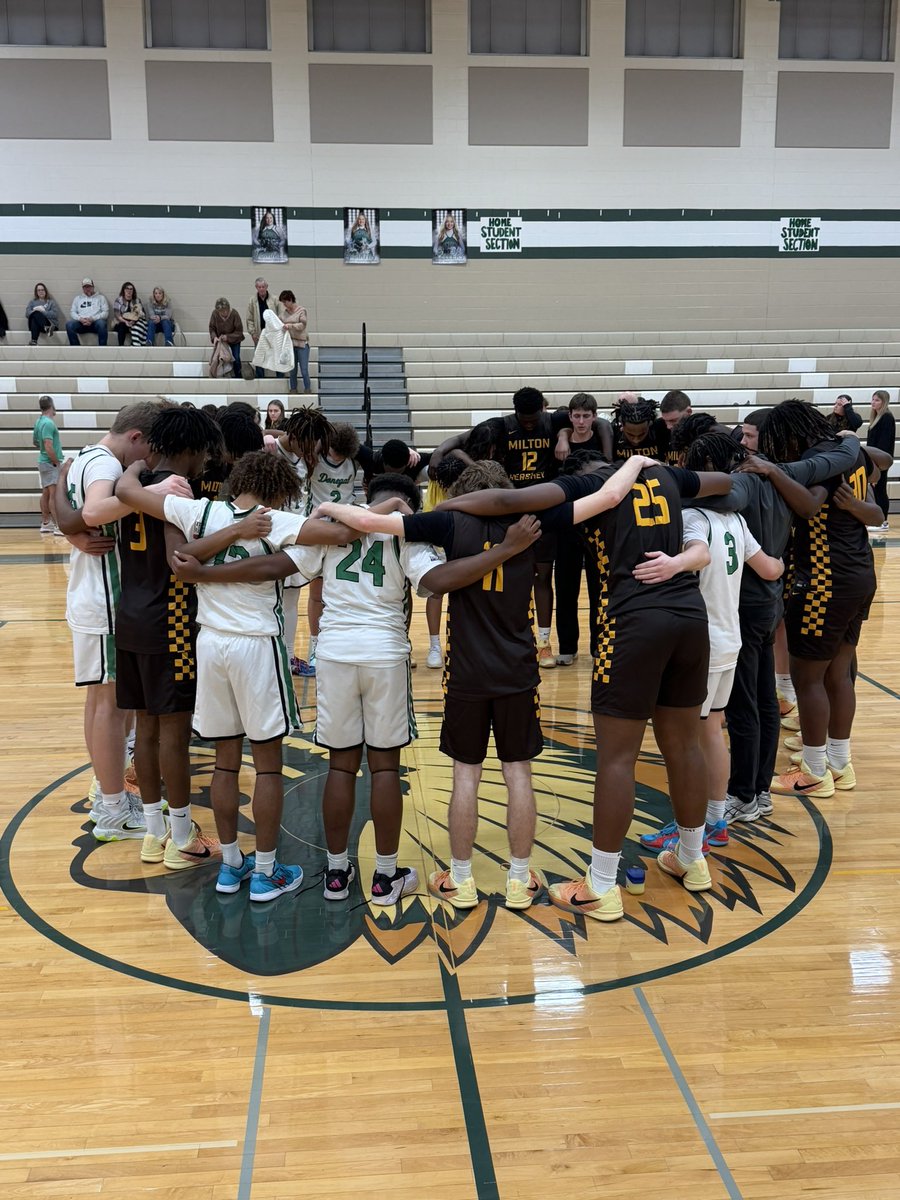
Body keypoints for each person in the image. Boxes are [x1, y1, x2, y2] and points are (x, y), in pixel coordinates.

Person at [431, 452, 736, 919]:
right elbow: (724, 483)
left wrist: (444, 507)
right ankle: (692, 860)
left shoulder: (589, 488)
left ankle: (601, 885)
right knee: (685, 746)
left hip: (631, 623)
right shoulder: (666, 476)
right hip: (690, 619)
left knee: (616, 758)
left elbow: (507, 501)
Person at [117, 450, 356, 903]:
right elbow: (344, 532)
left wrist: (136, 465)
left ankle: (230, 866)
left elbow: (127, 492)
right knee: (266, 764)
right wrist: (327, 510)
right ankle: (265, 872)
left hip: (210, 645)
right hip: (256, 645)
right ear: (281, 490)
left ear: (239, 479)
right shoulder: (279, 520)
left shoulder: (199, 512)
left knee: (225, 762)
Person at [320, 461, 551, 910]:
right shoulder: (532, 527)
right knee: (518, 773)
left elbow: (429, 573)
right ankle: (520, 879)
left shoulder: (453, 527)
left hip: (464, 668)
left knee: (465, 774)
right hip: (517, 668)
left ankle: (460, 880)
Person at [686, 418, 861, 824]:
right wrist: (850, 438)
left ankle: (744, 795)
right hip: (770, 601)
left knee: (744, 708)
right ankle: (761, 791)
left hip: (742, 609)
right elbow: (840, 458)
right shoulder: (785, 474)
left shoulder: (743, 483)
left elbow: (723, 497)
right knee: (765, 701)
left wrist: (676, 491)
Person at [113, 405, 253, 869]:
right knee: (174, 733)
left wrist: (134, 467)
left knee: (146, 731)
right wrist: (235, 531)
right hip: (168, 620)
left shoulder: (135, 486)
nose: (206, 461)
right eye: (204, 453)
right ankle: (180, 837)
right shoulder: (177, 491)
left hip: (130, 617)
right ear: (192, 449)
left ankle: (154, 834)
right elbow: (181, 560)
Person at [639, 432, 784, 856]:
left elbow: (699, 554)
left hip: (700, 645)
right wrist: (786, 559)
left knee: (688, 742)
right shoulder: (736, 519)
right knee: (713, 730)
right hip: (731, 640)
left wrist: (673, 564)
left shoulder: (694, 516)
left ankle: (692, 827)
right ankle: (717, 820)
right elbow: (770, 569)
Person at [55, 401, 192, 842]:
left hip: (94, 596)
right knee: (109, 707)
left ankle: (109, 794)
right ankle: (112, 807)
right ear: (135, 437)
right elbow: (94, 512)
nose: (150, 460)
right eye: (149, 449)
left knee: (104, 704)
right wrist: (155, 492)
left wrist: (72, 530)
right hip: (104, 598)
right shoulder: (103, 463)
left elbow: (72, 513)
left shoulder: (85, 456)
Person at [747, 401, 879, 799]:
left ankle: (814, 772)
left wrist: (771, 471)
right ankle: (839, 763)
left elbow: (807, 505)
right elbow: (876, 508)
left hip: (825, 580)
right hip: (859, 573)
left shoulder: (821, 460)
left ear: (790, 433)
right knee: (838, 674)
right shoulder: (850, 453)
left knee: (808, 678)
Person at [429, 387, 571, 667]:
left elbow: (596, 421)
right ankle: (512, 639)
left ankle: (544, 643)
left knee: (543, 577)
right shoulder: (501, 425)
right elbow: (458, 441)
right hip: (508, 512)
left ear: (542, 410)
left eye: (534, 419)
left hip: (543, 510)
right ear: (515, 412)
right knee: (511, 577)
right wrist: (437, 452)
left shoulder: (554, 421)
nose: (529, 424)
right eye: (524, 419)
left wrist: (564, 435)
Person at [554, 394, 609, 665]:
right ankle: (567, 647)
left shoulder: (602, 440)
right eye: (576, 416)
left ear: (594, 417)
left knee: (599, 589)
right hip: (567, 523)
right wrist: (563, 437)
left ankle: (599, 645)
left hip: (597, 523)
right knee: (566, 589)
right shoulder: (559, 443)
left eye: (586, 416)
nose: (581, 421)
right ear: (570, 417)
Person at [610, 394, 670, 462]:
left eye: (641, 434)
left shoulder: (661, 428)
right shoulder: (612, 432)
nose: (636, 441)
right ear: (622, 426)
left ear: (650, 424)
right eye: (630, 435)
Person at [866, 390, 895, 531]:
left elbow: (883, 444)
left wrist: (876, 465)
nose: (873, 402)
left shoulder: (887, 418)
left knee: (880, 489)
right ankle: (877, 520)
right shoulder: (876, 418)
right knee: (875, 489)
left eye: (877, 400)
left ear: (884, 402)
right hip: (874, 461)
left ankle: (883, 521)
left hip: (880, 462)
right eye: (872, 399)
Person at [33, 395, 62, 534]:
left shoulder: (39, 422)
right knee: (53, 494)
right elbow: (48, 445)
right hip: (50, 463)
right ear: (51, 405)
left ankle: (46, 523)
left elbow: (35, 442)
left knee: (46, 492)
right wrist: (55, 461)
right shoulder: (49, 423)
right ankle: (58, 526)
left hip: (43, 461)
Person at [246, 278, 285, 378]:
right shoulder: (252, 301)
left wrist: (279, 330)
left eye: (263, 287)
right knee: (259, 357)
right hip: (259, 335)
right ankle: (260, 379)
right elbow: (249, 319)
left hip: (274, 334)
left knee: (277, 356)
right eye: (259, 287)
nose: (261, 289)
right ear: (256, 287)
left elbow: (281, 315)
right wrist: (253, 333)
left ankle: (280, 378)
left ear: (267, 287)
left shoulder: (275, 299)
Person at [279, 290, 311, 394]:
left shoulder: (301, 311)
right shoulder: (283, 314)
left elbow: (302, 325)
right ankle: (293, 389)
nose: (284, 304)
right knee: (292, 370)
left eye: (285, 302)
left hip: (302, 344)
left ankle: (307, 389)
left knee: (304, 370)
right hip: (290, 345)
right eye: (283, 302)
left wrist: (290, 326)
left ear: (290, 300)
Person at [66, 278, 109, 346]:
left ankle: (102, 348)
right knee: (69, 324)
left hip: (95, 323)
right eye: (85, 287)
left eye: (89, 286)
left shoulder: (101, 298)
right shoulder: (78, 298)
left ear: (93, 287)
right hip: (81, 323)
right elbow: (72, 312)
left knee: (102, 323)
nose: (87, 288)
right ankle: (76, 347)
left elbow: (105, 313)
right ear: (83, 288)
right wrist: (80, 319)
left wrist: (93, 319)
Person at [209, 298, 244, 377]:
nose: (224, 313)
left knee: (236, 358)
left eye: (225, 310)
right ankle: (222, 377)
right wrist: (214, 337)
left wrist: (228, 337)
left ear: (228, 308)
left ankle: (238, 376)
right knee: (219, 359)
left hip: (234, 340)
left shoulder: (234, 314)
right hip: (221, 341)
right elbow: (212, 327)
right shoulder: (214, 314)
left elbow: (239, 331)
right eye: (221, 311)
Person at [112, 282, 147, 347]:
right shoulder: (119, 300)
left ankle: (136, 345)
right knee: (122, 326)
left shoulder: (137, 300)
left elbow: (143, 313)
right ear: (123, 290)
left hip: (134, 321)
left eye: (131, 289)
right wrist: (126, 322)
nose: (129, 291)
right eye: (127, 289)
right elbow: (117, 315)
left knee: (140, 325)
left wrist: (133, 321)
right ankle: (121, 346)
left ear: (133, 291)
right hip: (121, 322)